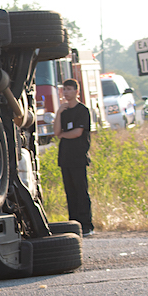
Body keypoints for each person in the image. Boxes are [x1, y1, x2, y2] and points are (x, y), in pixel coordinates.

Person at [54, 78, 94, 237]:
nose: (66, 92)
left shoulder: (82, 110)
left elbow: (77, 132)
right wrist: (58, 113)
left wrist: (64, 135)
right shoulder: (63, 111)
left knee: (80, 191)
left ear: (77, 91)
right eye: (64, 89)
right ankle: (74, 223)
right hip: (65, 158)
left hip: (78, 157)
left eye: (70, 89)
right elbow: (57, 132)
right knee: (70, 192)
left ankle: (86, 225)